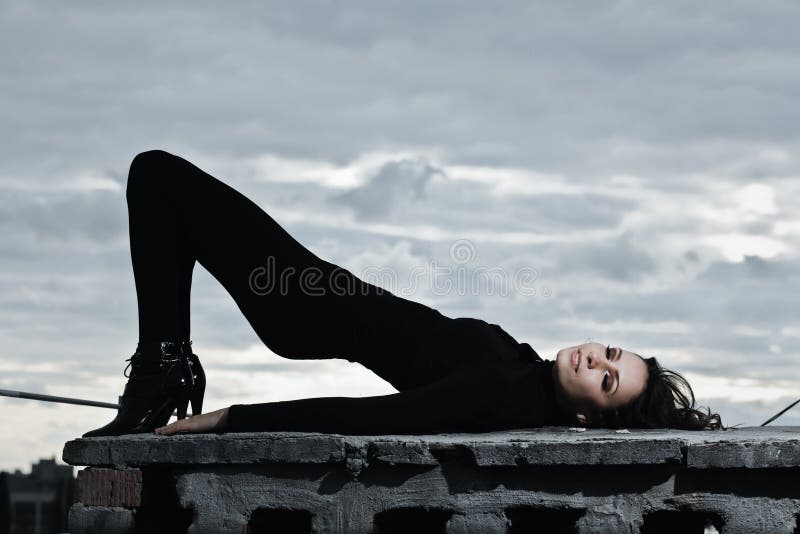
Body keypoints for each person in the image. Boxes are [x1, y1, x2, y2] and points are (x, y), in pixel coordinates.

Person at [82, 150, 723, 439]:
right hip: (316, 289)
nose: (595, 359)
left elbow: (369, 421)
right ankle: (165, 364)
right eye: (610, 351)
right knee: (163, 186)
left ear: (587, 419)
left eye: (609, 381)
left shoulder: (499, 392)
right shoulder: (522, 375)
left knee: (158, 176)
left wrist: (233, 418)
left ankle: (166, 367)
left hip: (302, 303)